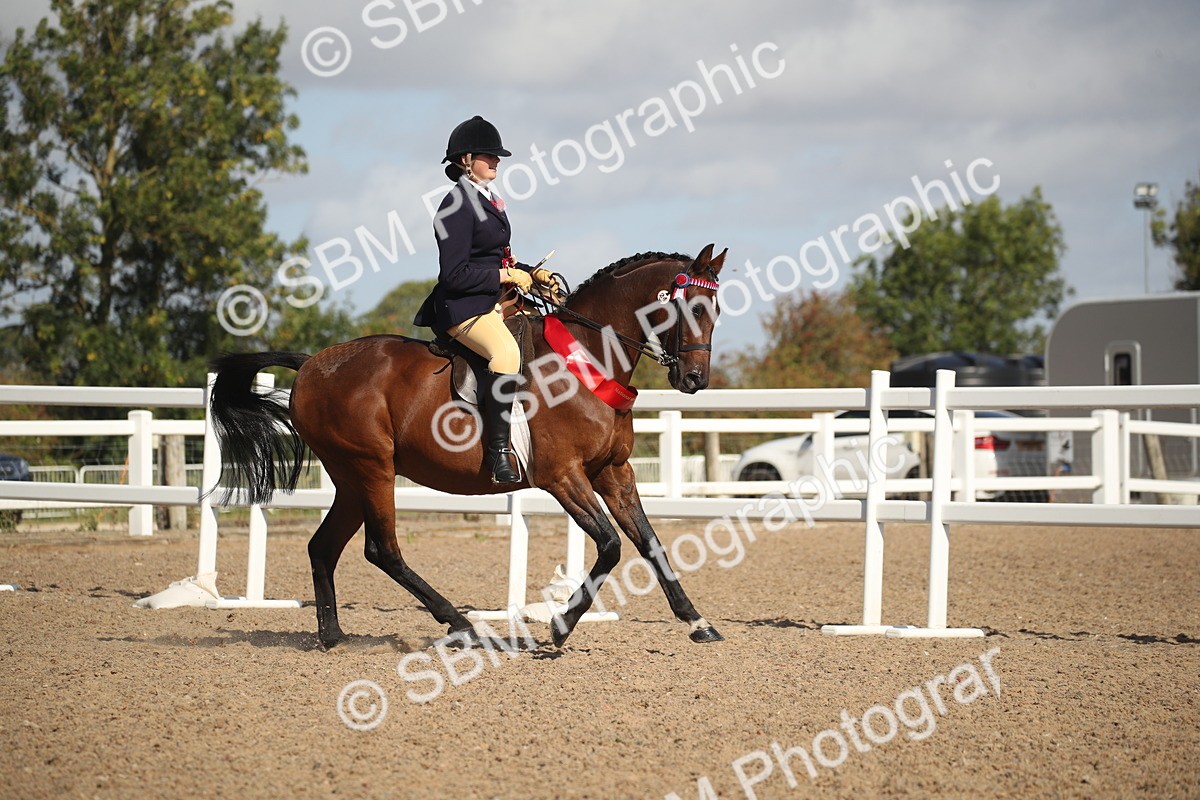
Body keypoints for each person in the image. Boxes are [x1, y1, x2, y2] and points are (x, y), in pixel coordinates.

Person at [414, 116, 554, 483]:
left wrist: (531, 273)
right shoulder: (455, 205)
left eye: (498, 157)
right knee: (506, 354)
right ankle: (498, 453)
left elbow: (496, 257)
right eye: (489, 156)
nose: (496, 162)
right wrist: (507, 276)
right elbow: (454, 275)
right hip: (462, 306)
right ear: (466, 159)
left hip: (490, 300)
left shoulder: (488, 200)